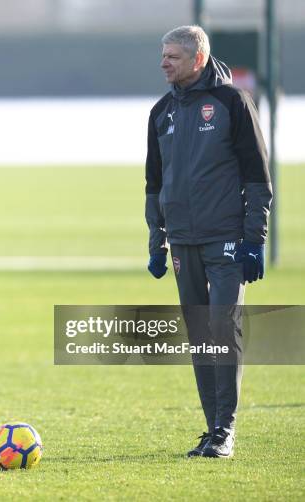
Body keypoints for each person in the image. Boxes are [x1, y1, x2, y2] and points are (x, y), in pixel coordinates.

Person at [145, 26, 272, 458]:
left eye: (173, 56)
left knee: (223, 328)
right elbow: (153, 183)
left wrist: (254, 241)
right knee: (201, 335)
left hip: (226, 240)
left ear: (197, 58)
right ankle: (212, 427)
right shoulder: (161, 111)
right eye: (163, 55)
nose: (164, 62)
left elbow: (258, 176)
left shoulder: (232, 102)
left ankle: (226, 430)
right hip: (183, 244)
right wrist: (155, 241)